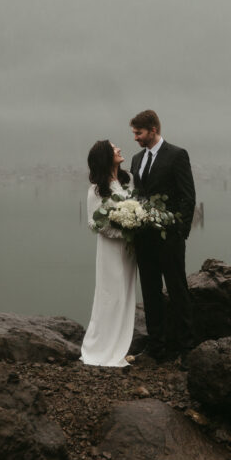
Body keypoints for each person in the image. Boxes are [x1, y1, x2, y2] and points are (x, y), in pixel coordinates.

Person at [130, 109, 195, 363]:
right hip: (143, 240)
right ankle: (156, 346)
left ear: (153, 130)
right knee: (150, 292)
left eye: (139, 133)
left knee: (178, 291)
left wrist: (180, 232)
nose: (135, 137)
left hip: (170, 239)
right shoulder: (136, 160)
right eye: (134, 133)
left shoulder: (177, 155)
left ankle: (187, 348)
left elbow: (188, 197)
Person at [80, 140, 137, 367]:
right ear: (105, 156)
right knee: (110, 295)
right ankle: (101, 347)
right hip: (111, 249)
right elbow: (96, 225)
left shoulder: (129, 180)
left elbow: (137, 205)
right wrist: (125, 230)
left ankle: (121, 345)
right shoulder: (96, 191)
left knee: (126, 294)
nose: (119, 149)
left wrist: (137, 222)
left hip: (131, 251)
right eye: (114, 149)